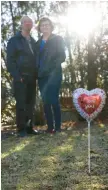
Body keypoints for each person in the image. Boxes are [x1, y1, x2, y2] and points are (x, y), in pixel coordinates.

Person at [6, 16, 39, 137]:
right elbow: (10, 60)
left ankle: (30, 127)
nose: (28, 23)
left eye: (30, 22)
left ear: (32, 25)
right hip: (20, 77)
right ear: (21, 24)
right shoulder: (14, 40)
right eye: (25, 22)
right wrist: (16, 75)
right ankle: (21, 129)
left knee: (31, 103)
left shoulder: (34, 41)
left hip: (32, 77)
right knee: (21, 104)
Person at [35, 17, 66, 133]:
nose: (45, 27)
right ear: (40, 28)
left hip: (54, 74)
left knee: (54, 99)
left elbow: (62, 56)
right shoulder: (37, 43)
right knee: (46, 101)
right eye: (43, 25)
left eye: (47, 25)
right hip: (42, 76)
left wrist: (51, 67)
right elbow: (36, 60)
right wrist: (37, 72)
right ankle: (50, 127)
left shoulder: (58, 39)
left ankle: (58, 127)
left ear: (51, 26)